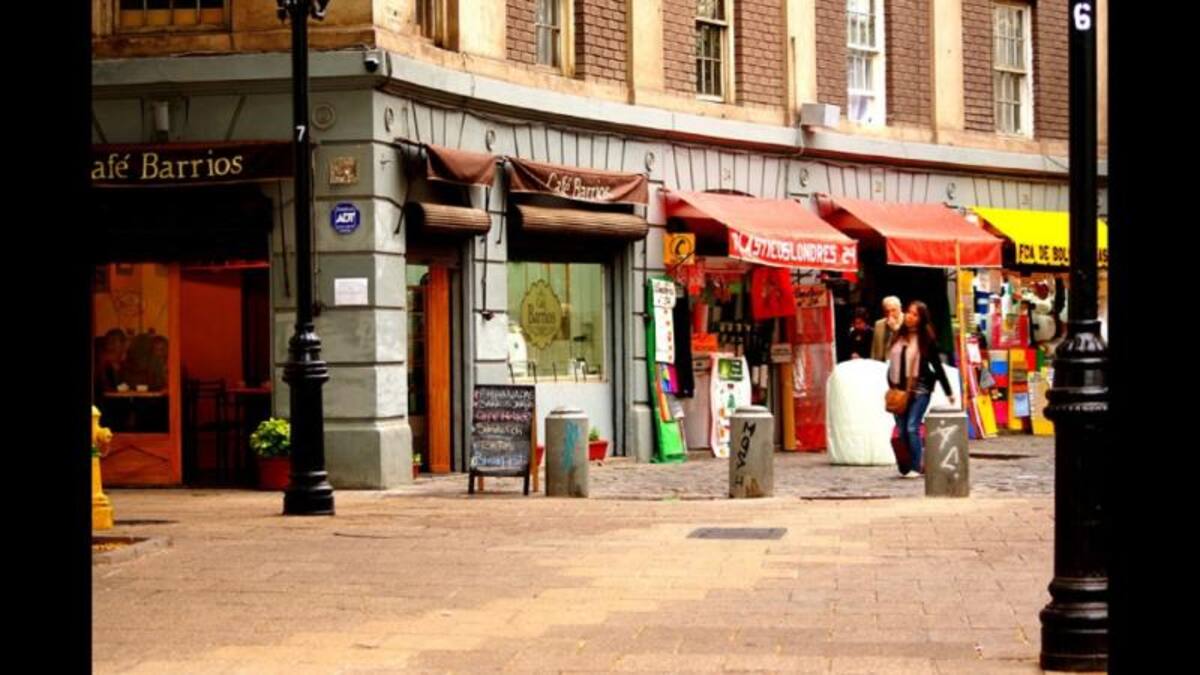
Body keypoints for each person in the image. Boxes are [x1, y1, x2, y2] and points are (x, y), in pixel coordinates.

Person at [887, 300, 956, 478]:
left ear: (921, 318)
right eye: (909, 312)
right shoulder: (898, 336)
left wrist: (948, 391)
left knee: (912, 427)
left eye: (915, 314)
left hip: (920, 388)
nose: (910, 316)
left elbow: (937, 366)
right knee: (901, 430)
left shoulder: (926, 340)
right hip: (899, 391)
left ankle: (916, 467)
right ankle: (911, 462)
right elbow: (892, 362)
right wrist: (890, 384)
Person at [870, 296, 903, 361]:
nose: (890, 314)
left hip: (897, 363)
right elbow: (874, 349)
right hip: (880, 364)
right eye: (887, 311)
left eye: (893, 310)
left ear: (900, 309)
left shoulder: (906, 322)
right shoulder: (878, 324)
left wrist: (895, 328)